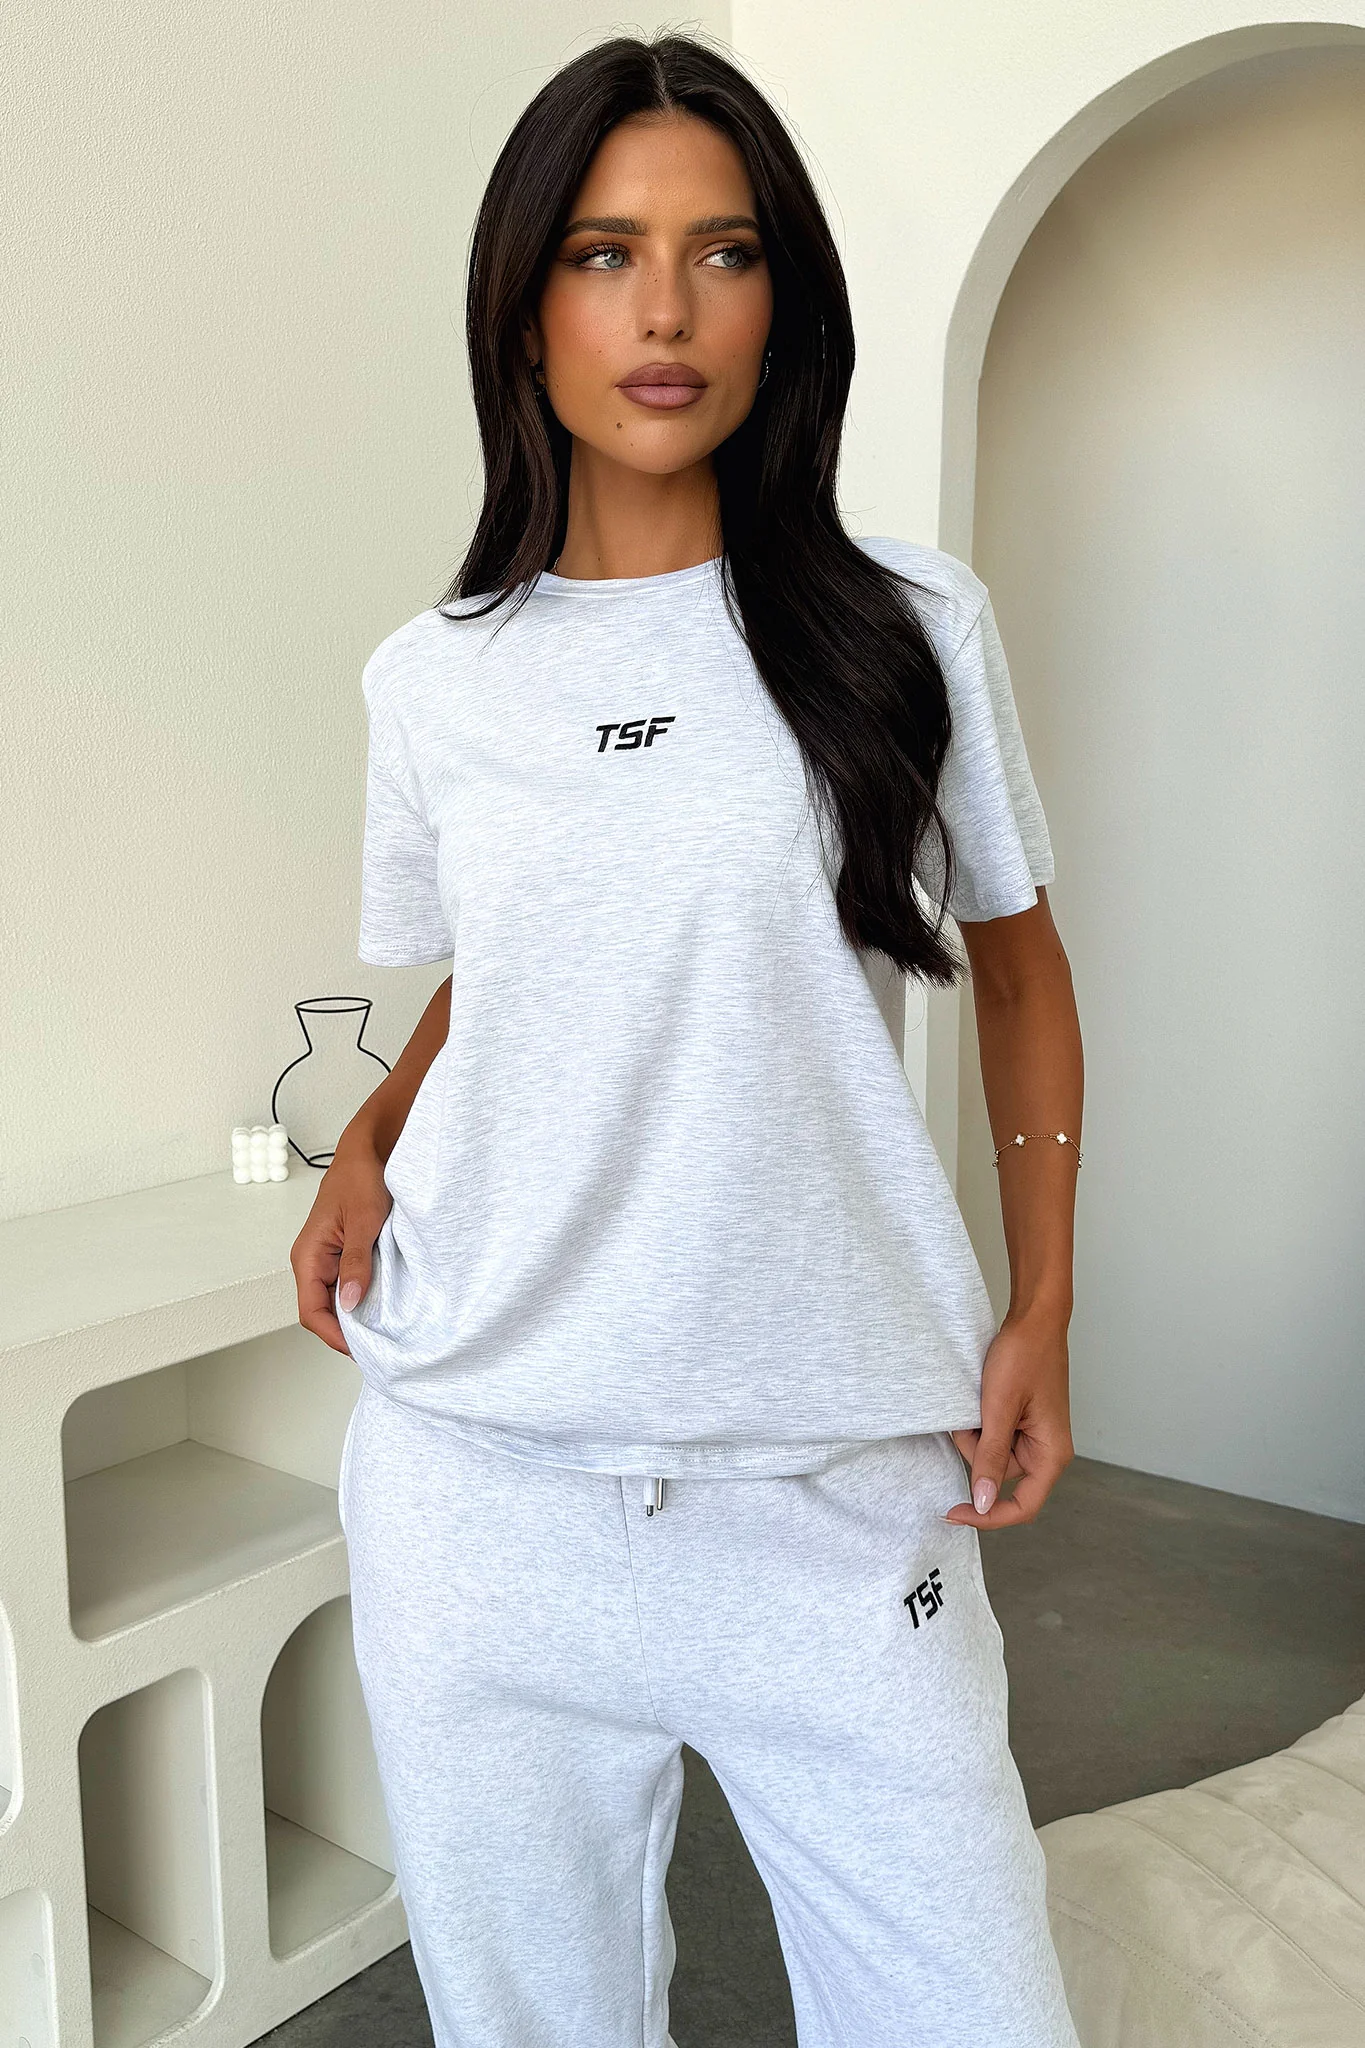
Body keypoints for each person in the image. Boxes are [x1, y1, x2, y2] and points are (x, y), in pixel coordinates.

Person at [293, 29, 1085, 2048]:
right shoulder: (433, 680)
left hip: (832, 1489)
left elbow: (1017, 970)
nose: (665, 310)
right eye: (604, 253)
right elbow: (512, 970)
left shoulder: (902, 627)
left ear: (779, 303)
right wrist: (374, 1131)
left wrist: (1042, 1304)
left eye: (722, 254)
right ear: (523, 308)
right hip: (477, 1482)